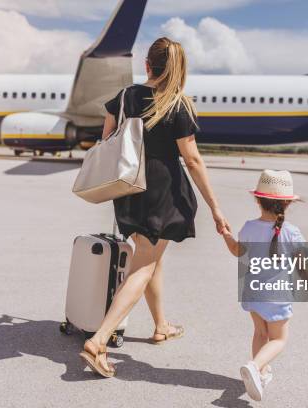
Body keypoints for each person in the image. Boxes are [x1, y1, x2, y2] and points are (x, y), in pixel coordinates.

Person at [79, 37, 229, 378]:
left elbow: (107, 138)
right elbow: (192, 160)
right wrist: (216, 209)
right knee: (143, 265)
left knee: (150, 259)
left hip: (129, 190)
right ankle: (98, 341)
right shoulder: (177, 104)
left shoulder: (126, 96)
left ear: (147, 65)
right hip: (162, 194)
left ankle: (161, 325)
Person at [220, 170, 308, 402]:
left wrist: (226, 234)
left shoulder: (248, 227)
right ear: (287, 203)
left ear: (258, 200)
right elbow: (302, 266)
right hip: (276, 295)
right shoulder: (292, 232)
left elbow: (238, 251)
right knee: (278, 339)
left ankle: (261, 374)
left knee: (260, 332)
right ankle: (255, 367)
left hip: (252, 291)